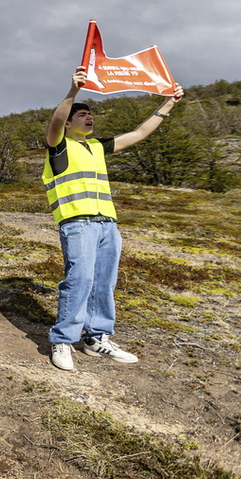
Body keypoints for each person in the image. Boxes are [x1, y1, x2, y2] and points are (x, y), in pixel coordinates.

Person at [44, 67, 184, 371]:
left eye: (91, 114)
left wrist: (167, 105)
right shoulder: (59, 145)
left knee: (104, 283)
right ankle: (62, 340)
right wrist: (73, 93)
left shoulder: (97, 146)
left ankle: (96, 339)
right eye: (82, 115)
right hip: (77, 223)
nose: (89, 117)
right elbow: (55, 122)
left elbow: (138, 134)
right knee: (79, 280)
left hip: (108, 225)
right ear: (69, 123)